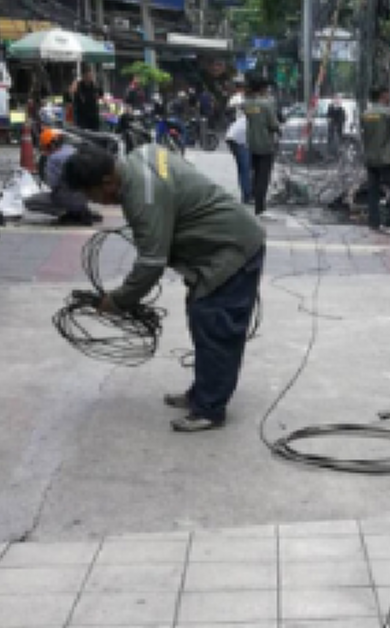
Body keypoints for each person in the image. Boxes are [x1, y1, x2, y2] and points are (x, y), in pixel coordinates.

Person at [64, 143, 266, 434]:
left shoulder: (143, 197)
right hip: (218, 246)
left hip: (231, 250)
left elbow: (150, 263)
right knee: (202, 319)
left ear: (106, 181)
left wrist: (118, 301)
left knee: (215, 325)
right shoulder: (141, 155)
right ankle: (203, 392)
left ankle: (210, 409)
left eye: (89, 193)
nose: (92, 201)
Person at [25, 131, 102, 226]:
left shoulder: (53, 159)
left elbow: (53, 184)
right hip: (85, 196)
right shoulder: (73, 150)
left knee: (30, 202)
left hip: (67, 197)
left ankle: (71, 213)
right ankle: (82, 211)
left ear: (50, 145)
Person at [360, 86, 390, 232]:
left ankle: (374, 222)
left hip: (370, 159)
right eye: (388, 93)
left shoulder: (365, 114)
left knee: (373, 191)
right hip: (386, 159)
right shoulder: (389, 114)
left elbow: (364, 136)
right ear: (383, 95)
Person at [242, 74, 281, 216]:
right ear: (263, 88)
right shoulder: (266, 104)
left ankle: (256, 203)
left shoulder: (247, 104)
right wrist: (278, 128)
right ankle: (260, 207)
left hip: (252, 143)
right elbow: (273, 124)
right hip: (265, 144)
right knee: (263, 177)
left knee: (256, 174)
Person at [226, 108, 252, 205]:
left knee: (242, 168)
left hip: (231, 138)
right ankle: (247, 196)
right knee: (245, 169)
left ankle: (246, 194)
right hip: (239, 141)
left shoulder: (246, 117)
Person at [72, 67, 102, 134]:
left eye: (90, 76)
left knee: (96, 136)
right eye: (87, 76)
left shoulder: (95, 86)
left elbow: (100, 95)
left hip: (94, 118)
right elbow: (74, 102)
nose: (89, 77)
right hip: (82, 119)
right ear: (83, 76)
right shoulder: (78, 87)